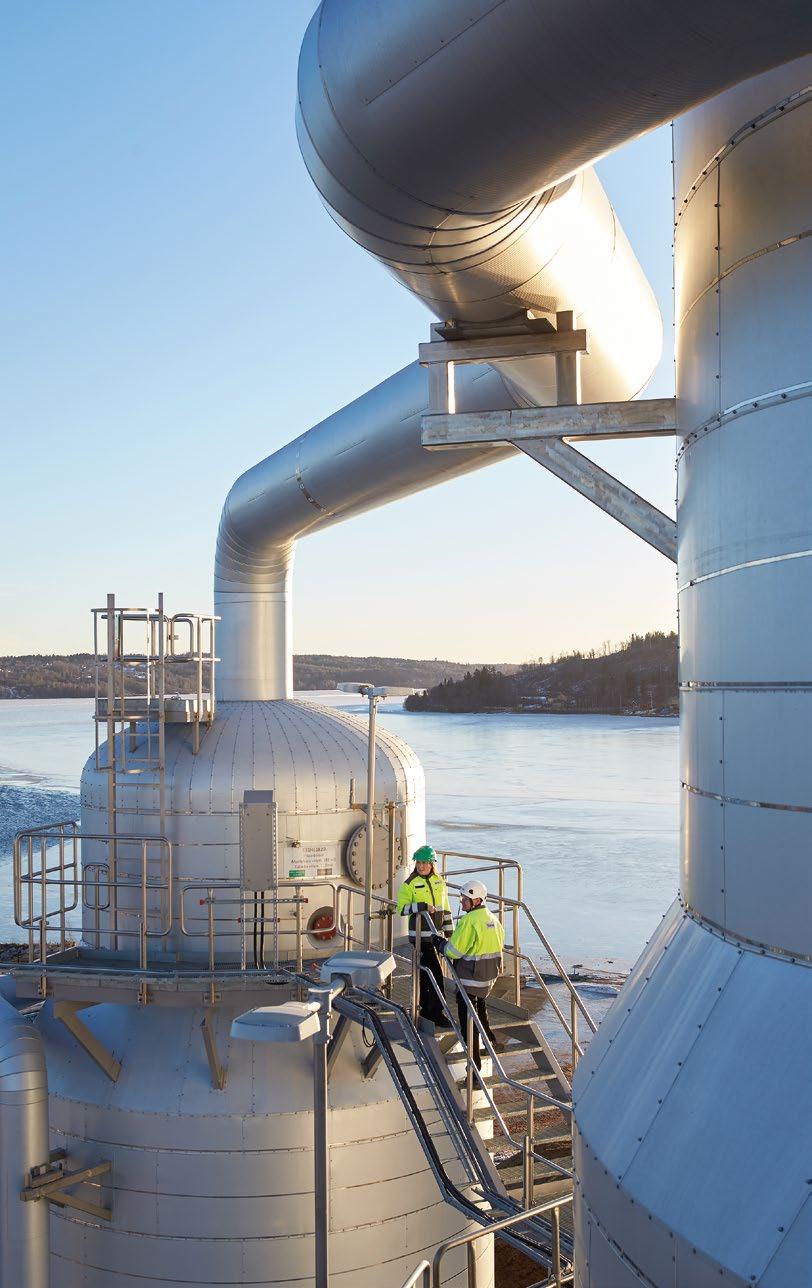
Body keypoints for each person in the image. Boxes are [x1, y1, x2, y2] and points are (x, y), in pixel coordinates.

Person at [439, 880, 505, 1069]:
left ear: (476, 901)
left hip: (470, 978)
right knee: (480, 1003)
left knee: (467, 1020)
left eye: (464, 899)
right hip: (488, 978)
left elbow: (453, 951)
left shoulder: (469, 921)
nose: (461, 903)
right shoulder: (493, 920)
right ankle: (490, 1039)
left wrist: (439, 943)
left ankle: (474, 1063)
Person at [397, 845, 453, 1026]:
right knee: (435, 973)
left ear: (431, 863)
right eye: (418, 862)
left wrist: (450, 931)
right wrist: (422, 905)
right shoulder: (409, 884)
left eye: (424, 863)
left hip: (436, 936)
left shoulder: (439, 882)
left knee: (426, 974)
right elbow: (402, 909)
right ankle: (436, 1013)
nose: (421, 866)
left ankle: (426, 1009)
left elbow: (445, 908)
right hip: (420, 936)